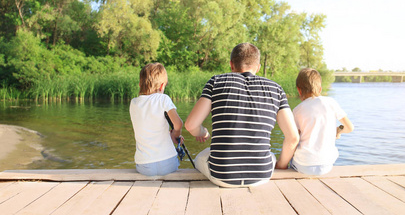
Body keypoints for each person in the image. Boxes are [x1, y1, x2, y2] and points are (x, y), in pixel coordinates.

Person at [185, 43, 299, 187]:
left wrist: (203, 132)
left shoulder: (215, 82)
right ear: (257, 67)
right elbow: (293, 138)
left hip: (222, 176)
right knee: (270, 155)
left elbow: (190, 125)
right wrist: (281, 166)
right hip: (261, 176)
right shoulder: (276, 89)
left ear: (231, 65)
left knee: (200, 157)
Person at [291, 68, 354, 175]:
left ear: (299, 90)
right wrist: (338, 131)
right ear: (320, 89)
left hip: (304, 165)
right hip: (327, 165)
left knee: (292, 161)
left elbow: (294, 139)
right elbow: (349, 128)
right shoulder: (331, 102)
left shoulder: (297, 110)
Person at [130, 62, 184, 176]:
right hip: (168, 163)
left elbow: (149, 129)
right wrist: (175, 135)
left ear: (140, 84)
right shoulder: (163, 99)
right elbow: (178, 124)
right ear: (161, 86)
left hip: (144, 166)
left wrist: (169, 135)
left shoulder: (133, 103)